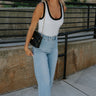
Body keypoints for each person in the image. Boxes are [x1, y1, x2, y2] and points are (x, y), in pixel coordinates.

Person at [24, 0, 67, 96]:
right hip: (40, 48)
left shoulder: (62, 7)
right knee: (44, 82)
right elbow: (32, 27)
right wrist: (26, 46)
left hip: (54, 47)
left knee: (49, 82)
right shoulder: (41, 6)